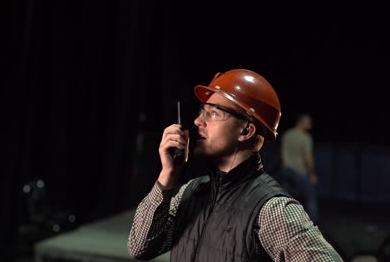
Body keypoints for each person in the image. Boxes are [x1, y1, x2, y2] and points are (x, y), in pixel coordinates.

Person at [127, 68, 343, 261]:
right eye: (202, 111)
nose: (197, 121)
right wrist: (167, 175)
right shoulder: (191, 192)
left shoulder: (271, 210)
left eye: (213, 113)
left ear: (246, 131)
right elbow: (140, 248)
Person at [280, 112, 319, 223]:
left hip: (286, 170)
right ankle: (313, 223)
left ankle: (286, 222)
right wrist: (312, 174)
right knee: (310, 197)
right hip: (299, 171)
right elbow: (308, 158)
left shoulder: (287, 134)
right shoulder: (305, 137)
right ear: (302, 122)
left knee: (289, 199)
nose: (311, 124)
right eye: (309, 122)